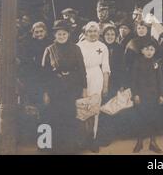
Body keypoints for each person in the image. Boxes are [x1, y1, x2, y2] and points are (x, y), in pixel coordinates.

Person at [42, 20, 87, 154]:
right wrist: (45, 92)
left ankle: (70, 148)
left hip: (72, 89)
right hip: (55, 89)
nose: (61, 36)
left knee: (70, 116)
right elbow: (44, 73)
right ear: (55, 35)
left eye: (64, 34)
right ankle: (56, 149)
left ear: (68, 35)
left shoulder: (76, 48)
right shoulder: (49, 49)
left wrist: (84, 88)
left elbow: (81, 69)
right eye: (59, 34)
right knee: (55, 117)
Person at [77, 21, 111, 153]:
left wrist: (105, 86)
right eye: (89, 31)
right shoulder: (78, 46)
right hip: (81, 78)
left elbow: (106, 67)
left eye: (95, 31)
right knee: (82, 107)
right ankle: (82, 139)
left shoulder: (102, 46)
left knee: (95, 108)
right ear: (85, 33)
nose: (92, 34)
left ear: (99, 33)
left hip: (97, 77)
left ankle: (92, 138)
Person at [131, 42, 163, 153]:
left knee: (153, 118)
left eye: (151, 49)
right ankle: (139, 142)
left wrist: (161, 94)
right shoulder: (137, 62)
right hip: (141, 95)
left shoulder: (156, 63)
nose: (149, 52)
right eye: (147, 49)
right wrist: (135, 94)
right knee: (141, 118)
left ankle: (153, 142)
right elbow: (133, 80)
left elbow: (160, 79)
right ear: (142, 51)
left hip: (153, 95)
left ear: (154, 51)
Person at [18, 22, 51, 108]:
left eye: (41, 31)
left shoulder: (50, 42)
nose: (39, 34)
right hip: (33, 73)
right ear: (33, 32)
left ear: (45, 32)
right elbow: (25, 59)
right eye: (36, 32)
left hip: (47, 72)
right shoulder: (28, 43)